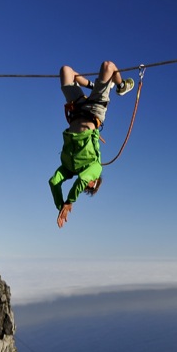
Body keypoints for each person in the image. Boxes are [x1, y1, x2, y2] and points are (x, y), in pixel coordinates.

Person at [49, 61, 134, 228]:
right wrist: (70, 201)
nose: (87, 186)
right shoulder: (96, 167)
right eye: (91, 186)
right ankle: (122, 85)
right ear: (95, 180)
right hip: (95, 111)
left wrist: (61, 206)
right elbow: (82, 179)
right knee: (108, 66)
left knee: (65, 70)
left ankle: (95, 85)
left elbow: (53, 182)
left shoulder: (69, 168)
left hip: (78, 109)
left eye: (88, 189)